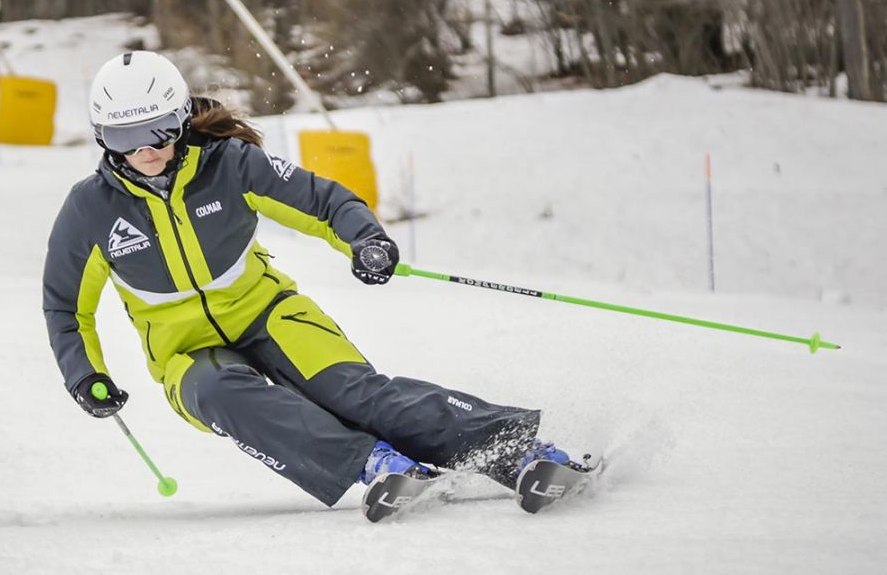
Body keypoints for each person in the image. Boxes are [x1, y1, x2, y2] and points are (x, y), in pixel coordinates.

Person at [43, 51, 579, 508]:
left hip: (271, 316)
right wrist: (84, 375)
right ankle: (377, 465)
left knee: (356, 396)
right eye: (124, 137)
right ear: (102, 136)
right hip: (187, 353)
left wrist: (364, 239)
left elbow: (323, 201)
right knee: (219, 391)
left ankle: (518, 452)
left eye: (157, 132)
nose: (144, 151)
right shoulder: (90, 209)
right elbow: (66, 306)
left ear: (181, 119)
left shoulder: (230, 166)